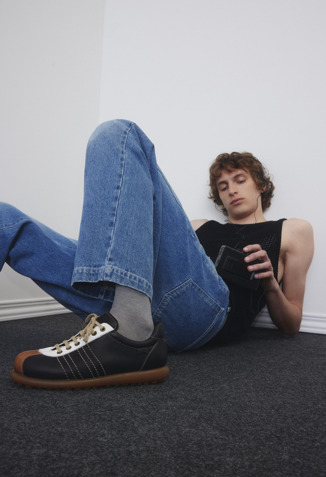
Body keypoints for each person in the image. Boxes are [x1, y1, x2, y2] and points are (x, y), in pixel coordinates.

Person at [2, 120, 313, 389]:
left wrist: (271, 284)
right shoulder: (199, 226)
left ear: (261, 184)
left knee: (120, 133)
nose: (230, 189)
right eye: (222, 185)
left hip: (208, 313)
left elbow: (291, 325)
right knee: (6, 222)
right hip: (143, 301)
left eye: (240, 179)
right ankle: (130, 318)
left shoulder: (292, 230)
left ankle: (131, 333)